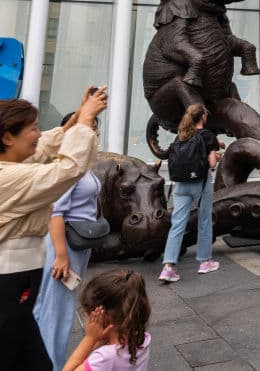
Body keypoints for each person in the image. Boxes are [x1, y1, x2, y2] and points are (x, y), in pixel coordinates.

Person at [0, 87, 107, 371]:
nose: (39, 133)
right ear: (8, 137)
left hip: (19, 281)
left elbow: (42, 147)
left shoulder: (11, 161)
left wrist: (72, 124)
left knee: (34, 359)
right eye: (33, 128)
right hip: (9, 285)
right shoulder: (10, 177)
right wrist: (84, 123)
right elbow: (67, 170)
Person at [33, 113, 103, 370]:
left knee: (52, 307)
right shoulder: (68, 166)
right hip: (63, 247)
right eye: (88, 126)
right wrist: (61, 256)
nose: (93, 131)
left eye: (95, 126)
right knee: (57, 313)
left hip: (76, 245)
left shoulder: (82, 164)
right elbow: (56, 212)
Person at [159, 104, 222, 283]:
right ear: (202, 117)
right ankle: (205, 262)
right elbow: (211, 164)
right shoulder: (208, 136)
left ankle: (168, 267)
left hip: (180, 185)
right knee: (204, 221)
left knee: (177, 224)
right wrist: (217, 157)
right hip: (200, 184)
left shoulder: (181, 136)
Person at [62, 268, 151, 371]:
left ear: (103, 316)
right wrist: (99, 341)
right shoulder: (142, 337)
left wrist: (89, 339)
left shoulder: (105, 357)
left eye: (88, 315)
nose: (85, 315)